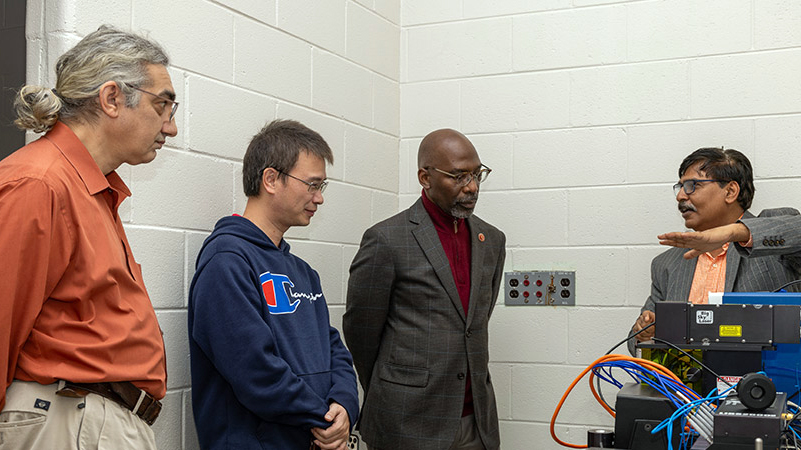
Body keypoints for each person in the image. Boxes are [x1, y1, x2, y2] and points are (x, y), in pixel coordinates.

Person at [0, 25, 177, 449]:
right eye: (163, 106)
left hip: (90, 424)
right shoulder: (39, 184)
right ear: (112, 98)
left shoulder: (92, 189)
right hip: (67, 423)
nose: (170, 128)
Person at [188, 119, 359, 450]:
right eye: (312, 185)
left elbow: (334, 348)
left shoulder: (304, 273)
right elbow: (255, 371)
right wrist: (322, 417)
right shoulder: (227, 261)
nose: (318, 198)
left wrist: (345, 407)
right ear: (271, 179)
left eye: (321, 187)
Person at [344, 129, 506, 450]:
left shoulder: (492, 240)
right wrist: (391, 388)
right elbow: (361, 331)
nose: (471, 186)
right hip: (407, 422)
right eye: (458, 176)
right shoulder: (387, 239)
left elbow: (474, 323)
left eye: (476, 174)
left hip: (476, 422)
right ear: (425, 177)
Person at [628, 147, 801, 355]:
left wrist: (735, 232)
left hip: (763, 383)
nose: (681, 196)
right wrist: (645, 333)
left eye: (692, 185)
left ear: (730, 192)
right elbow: (635, 342)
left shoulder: (773, 238)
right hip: (687, 385)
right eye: (680, 186)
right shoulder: (666, 264)